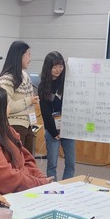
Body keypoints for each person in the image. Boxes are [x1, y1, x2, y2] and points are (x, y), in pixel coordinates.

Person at [0, 41, 39, 154]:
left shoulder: (25, 76)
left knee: (28, 161)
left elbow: (30, 102)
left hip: (29, 126)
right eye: (28, 54)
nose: (30, 59)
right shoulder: (6, 79)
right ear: (19, 55)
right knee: (16, 161)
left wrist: (33, 123)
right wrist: (29, 100)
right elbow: (6, 106)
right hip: (14, 126)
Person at [38, 51, 75, 181]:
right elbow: (45, 112)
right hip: (52, 130)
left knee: (70, 163)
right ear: (48, 67)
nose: (58, 69)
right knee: (52, 165)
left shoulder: (67, 83)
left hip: (68, 128)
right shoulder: (43, 86)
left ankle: (67, 187)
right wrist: (54, 132)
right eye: (55, 67)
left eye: (61, 66)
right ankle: (52, 188)